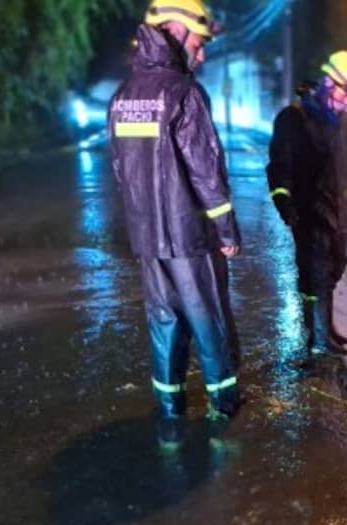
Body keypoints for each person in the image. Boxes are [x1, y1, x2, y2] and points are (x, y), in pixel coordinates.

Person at [108, 0, 241, 448]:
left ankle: (170, 411)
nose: (201, 56)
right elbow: (206, 172)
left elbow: (120, 172)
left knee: (164, 322)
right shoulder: (184, 93)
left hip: (148, 242)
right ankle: (224, 408)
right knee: (209, 321)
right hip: (189, 237)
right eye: (199, 45)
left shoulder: (123, 95)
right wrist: (226, 231)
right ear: (175, 32)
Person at [266, 50, 347, 357]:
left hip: (336, 207)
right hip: (308, 208)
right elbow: (279, 165)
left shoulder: (343, 121)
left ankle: (326, 326)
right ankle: (318, 335)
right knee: (316, 270)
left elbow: (346, 163)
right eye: (344, 93)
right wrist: (283, 200)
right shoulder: (293, 118)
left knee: (335, 266)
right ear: (328, 82)